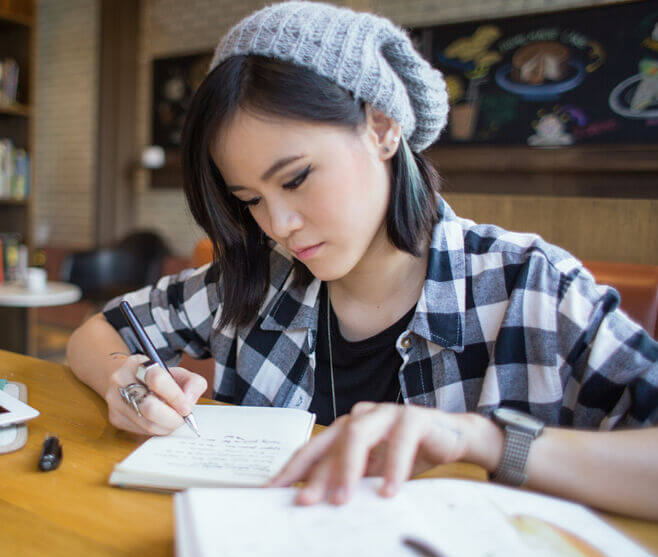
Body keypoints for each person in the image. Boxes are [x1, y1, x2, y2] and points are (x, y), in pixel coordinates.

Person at [67, 1, 658, 520]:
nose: (278, 225)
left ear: (381, 128)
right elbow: (97, 334)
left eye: (296, 179)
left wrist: (481, 439)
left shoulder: (531, 287)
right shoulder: (253, 282)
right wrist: (131, 382)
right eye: (249, 201)